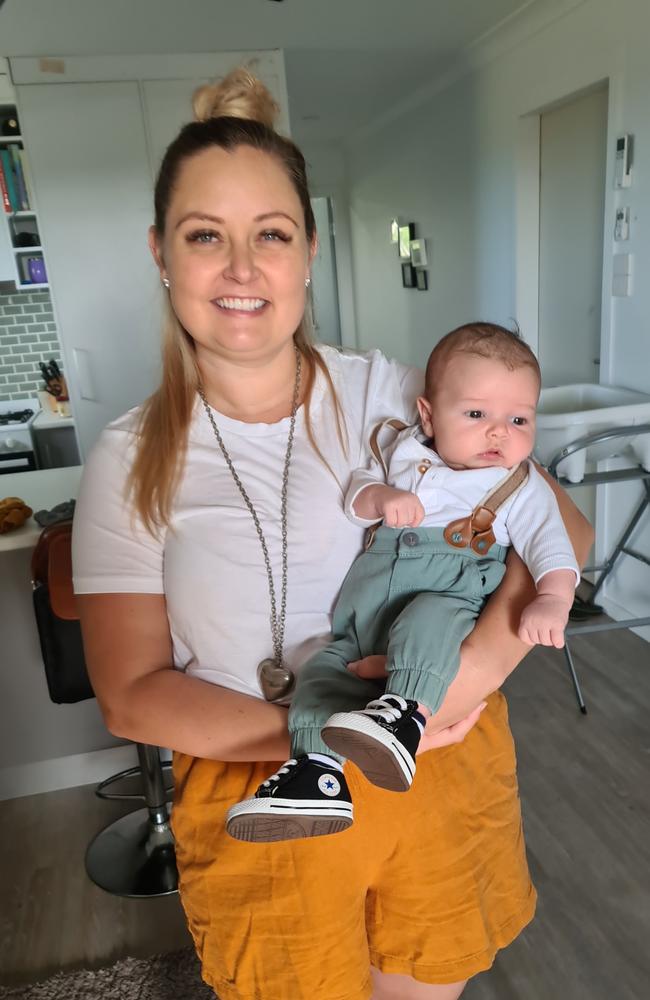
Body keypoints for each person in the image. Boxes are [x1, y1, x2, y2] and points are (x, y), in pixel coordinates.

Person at [72, 68, 593, 1000]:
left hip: (433, 771)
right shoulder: (127, 458)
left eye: (270, 235)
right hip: (259, 787)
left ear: (308, 249)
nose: (242, 270)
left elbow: (564, 524)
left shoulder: (391, 392)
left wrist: (449, 690)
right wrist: (325, 735)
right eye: (205, 237)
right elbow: (133, 695)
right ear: (160, 252)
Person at [226, 323, 580, 840]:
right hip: (362, 614)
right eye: (477, 414)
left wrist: (553, 596)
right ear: (429, 416)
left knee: (427, 623)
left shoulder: (517, 485)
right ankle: (317, 774)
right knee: (324, 671)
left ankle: (405, 714)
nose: (500, 431)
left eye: (519, 418)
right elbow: (357, 492)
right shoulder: (402, 450)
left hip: (446, 594)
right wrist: (380, 500)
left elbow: (553, 543)